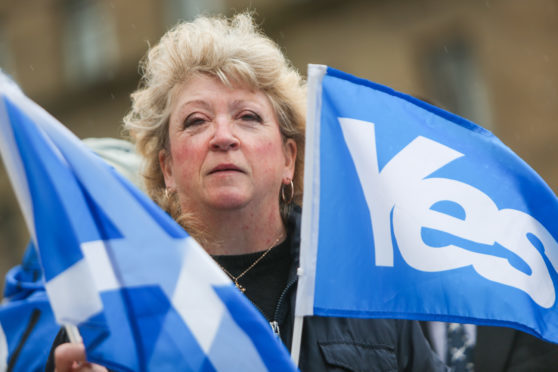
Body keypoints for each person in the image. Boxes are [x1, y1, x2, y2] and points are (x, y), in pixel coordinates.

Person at [47, 12, 446, 371]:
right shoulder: (111, 303)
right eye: (196, 121)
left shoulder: (363, 287)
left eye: (248, 117)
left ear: (289, 159)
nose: (223, 136)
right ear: (167, 167)